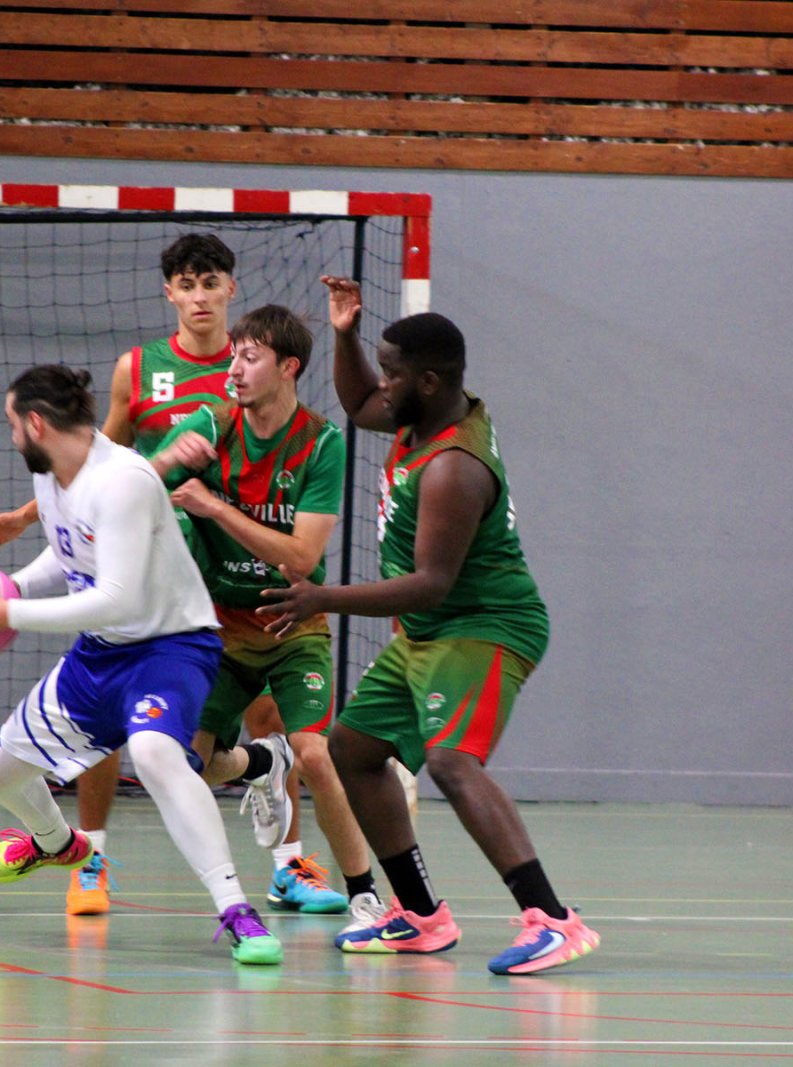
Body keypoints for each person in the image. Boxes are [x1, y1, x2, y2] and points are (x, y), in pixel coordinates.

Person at [0, 233, 329, 917]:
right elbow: (92, 456)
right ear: (169, 293)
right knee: (125, 733)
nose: (199, 297)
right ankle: (90, 857)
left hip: (227, 580)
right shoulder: (138, 370)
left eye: (210, 283)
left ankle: (287, 864)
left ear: (231, 289)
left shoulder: (252, 366)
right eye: (186, 284)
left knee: (263, 718)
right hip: (143, 577)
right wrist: (27, 516)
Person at [258, 280, 602, 975]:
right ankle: (420, 915)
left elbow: (430, 582)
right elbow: (360, 404)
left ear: (429, 381)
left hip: (484, 624)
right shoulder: (422, 411)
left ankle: (554, 920)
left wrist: (322, 596)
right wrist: (345, 335)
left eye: (392, 373)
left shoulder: (452, 468)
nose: (381, 386)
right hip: (429, 629)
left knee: (450, 761)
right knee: (353, 748)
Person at [0, 364, 285, 964]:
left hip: (170, 646)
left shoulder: (124, 480)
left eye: (11, 425)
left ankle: (236, 910)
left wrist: (5, 614)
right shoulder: (54, 474)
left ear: (35, 423)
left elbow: (117, 598)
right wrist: (12, 588)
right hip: (102, 652)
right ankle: (58, 843)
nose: (11, 437)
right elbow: (68, 551)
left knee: (155, 753)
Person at [150, 305, 385, 925]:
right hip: (220, 629)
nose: (234, 368)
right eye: (233, 356)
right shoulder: (211, 424)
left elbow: (301, 558)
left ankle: (365, 895)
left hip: (291, 624)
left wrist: (215, 508)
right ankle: (261, 764)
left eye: (249, 358)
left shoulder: (321, 444)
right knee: (184, 767)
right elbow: (132, 486)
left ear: (288, 368)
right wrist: (167, 464)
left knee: (316, 754)